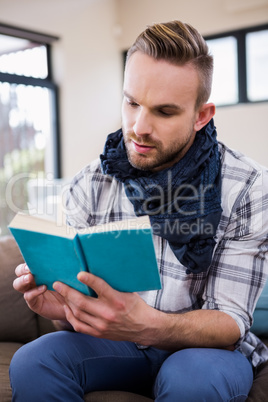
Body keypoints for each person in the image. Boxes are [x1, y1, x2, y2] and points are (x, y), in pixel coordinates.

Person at [10, 20, 268, 401]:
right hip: (118, 344)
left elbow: (230, 320)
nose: (139, 127)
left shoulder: (247, 186)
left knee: (193, 382)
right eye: (131, 103)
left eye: (164, 112)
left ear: (202, 115)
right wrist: (62, 307)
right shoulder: (91, 183)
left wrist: (149, 326)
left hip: (208, 353)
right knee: (32, 361)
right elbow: (81, 306)